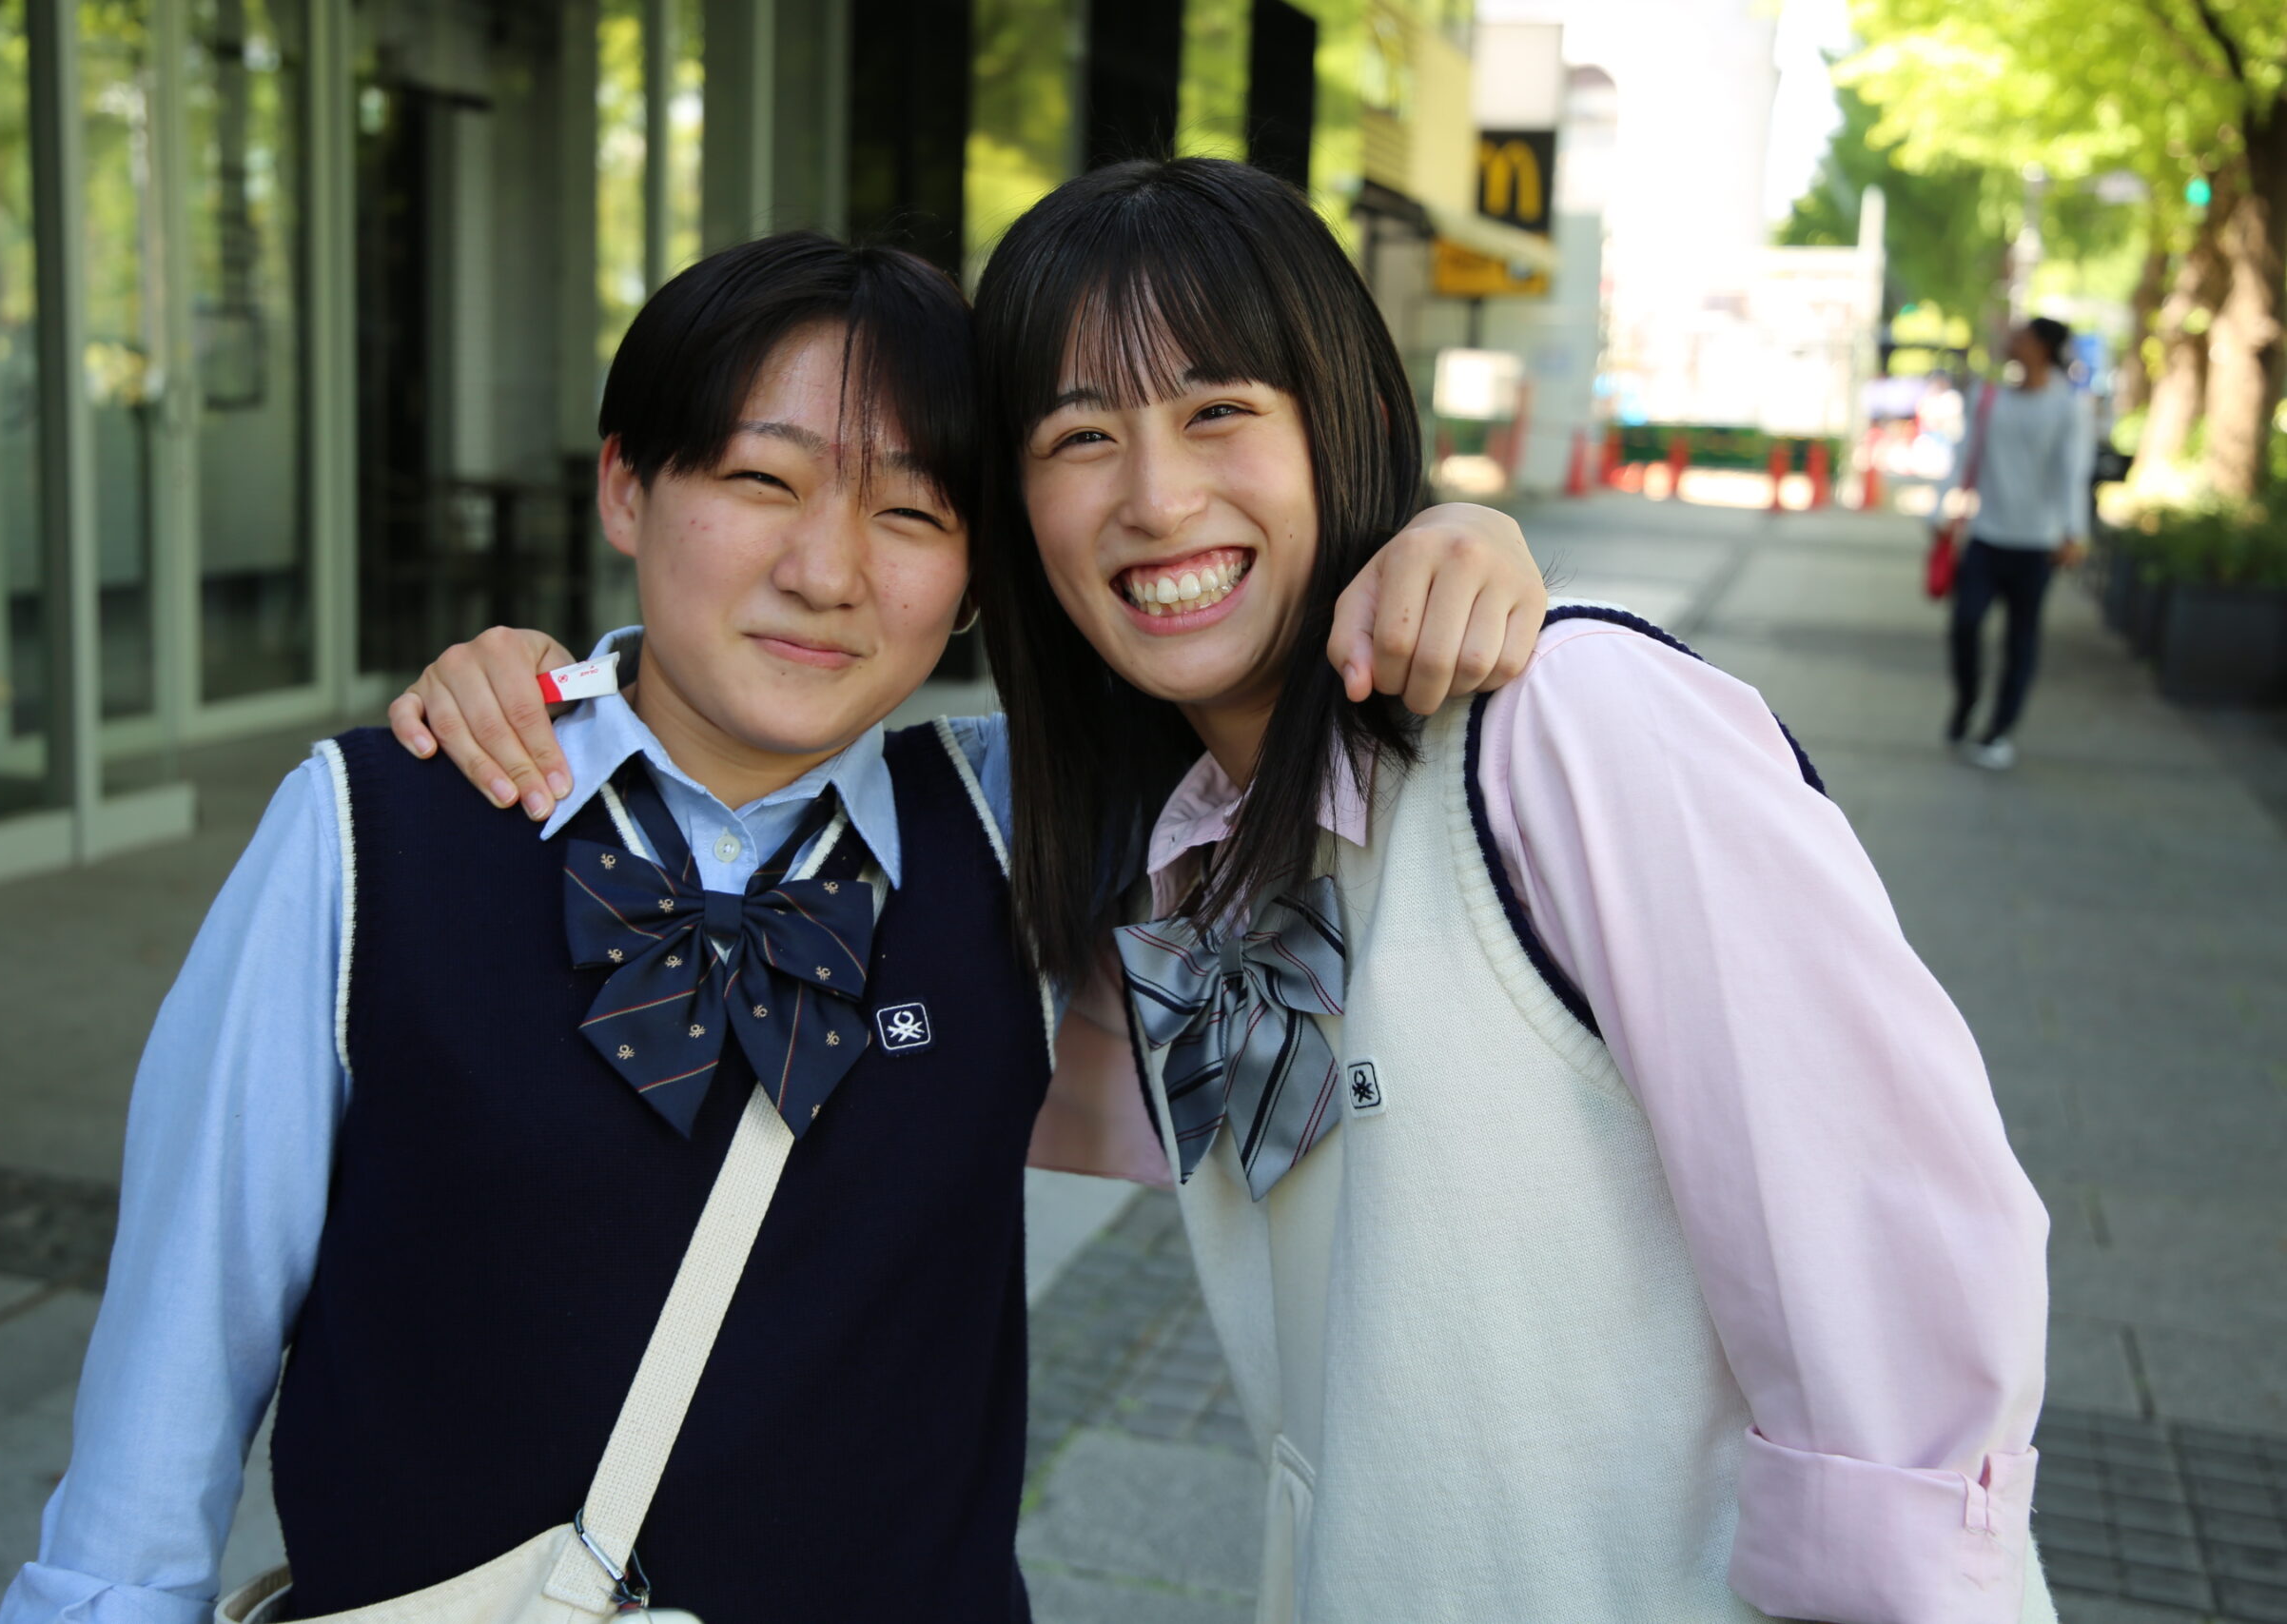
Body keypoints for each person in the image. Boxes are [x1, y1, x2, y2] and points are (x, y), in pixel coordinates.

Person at [420, 158, 2057, 1623]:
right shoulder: (1148, 847)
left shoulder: (1571, 726)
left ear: (1340, 418)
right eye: (1080, 438)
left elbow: (1887, 1239)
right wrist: (562, 702)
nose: (1155, 498)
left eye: (1218, 412)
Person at [0, 230, 1547, 1624]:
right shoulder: (374, 829)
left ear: (978, 579)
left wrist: (1455, 541)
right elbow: (179, 1350)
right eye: (760, 481)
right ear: (626, 485)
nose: (825, 571)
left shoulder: (1031, 830)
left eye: (913, 511)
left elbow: (1302, 739)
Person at [1933, 317, 2095, 770]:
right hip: (1986, 536)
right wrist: (1940, 510)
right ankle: (1967, 701)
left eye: (2022, 338)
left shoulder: (2067, 408)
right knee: (1965, 625)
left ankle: (1999, 730)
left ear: (2043, 348)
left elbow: (2072, 473)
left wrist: (2074, 533)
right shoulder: (1989, 398)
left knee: (2021, 641)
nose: (2012, 342)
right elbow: (1962, 456)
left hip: (2036, 545)